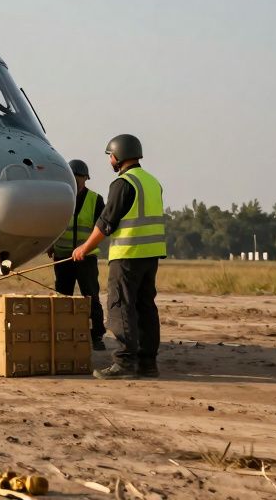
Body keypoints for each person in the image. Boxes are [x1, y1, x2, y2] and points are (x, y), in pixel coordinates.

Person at [70, 134, 166, 379]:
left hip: (128, 256)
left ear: (118, 156)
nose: (109, 161)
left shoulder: (124, 184)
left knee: (120, 307)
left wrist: (84, 248)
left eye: (110, 156)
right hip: (151, 255)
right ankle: (148, 364)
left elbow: (106, 223)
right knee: (145, 308)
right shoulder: (152, 182)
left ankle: (124, 363)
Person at [51, 159, 107, 351]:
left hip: (86, 257)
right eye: (74, 177)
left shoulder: (96, 200)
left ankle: (97, 335)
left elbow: (101, 228)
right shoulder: (58, 198)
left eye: (80, 177)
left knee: (90, 296)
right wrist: (50, 245)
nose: (77, 180)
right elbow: (51, 224)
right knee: (62, 297)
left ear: (86, 178)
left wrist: (86, 248)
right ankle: (62, 333)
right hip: (63, 257)